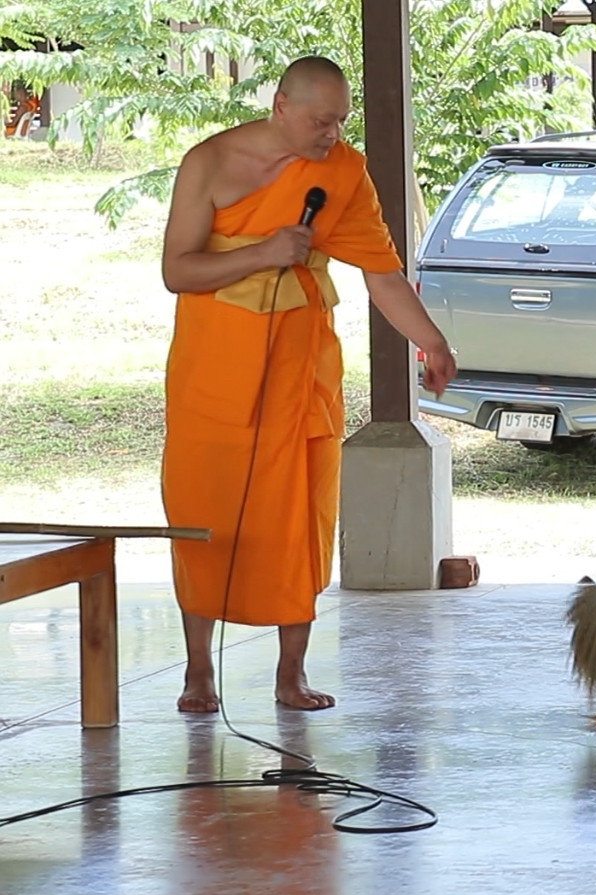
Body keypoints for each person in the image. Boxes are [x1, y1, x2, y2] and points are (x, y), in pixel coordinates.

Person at [159, 55, 457, 713]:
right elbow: (177, 271)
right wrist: (263, 253)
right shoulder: (208, 162)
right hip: (212, 372)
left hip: (299, 374)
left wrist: (431, 341)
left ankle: (290, 674)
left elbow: (382, 275)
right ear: (281, 106)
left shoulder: (342, 173)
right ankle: (198, 671)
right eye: (322, 121)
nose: (332, 134)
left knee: (299, 521)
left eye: (340, 121)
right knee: (203, 516)